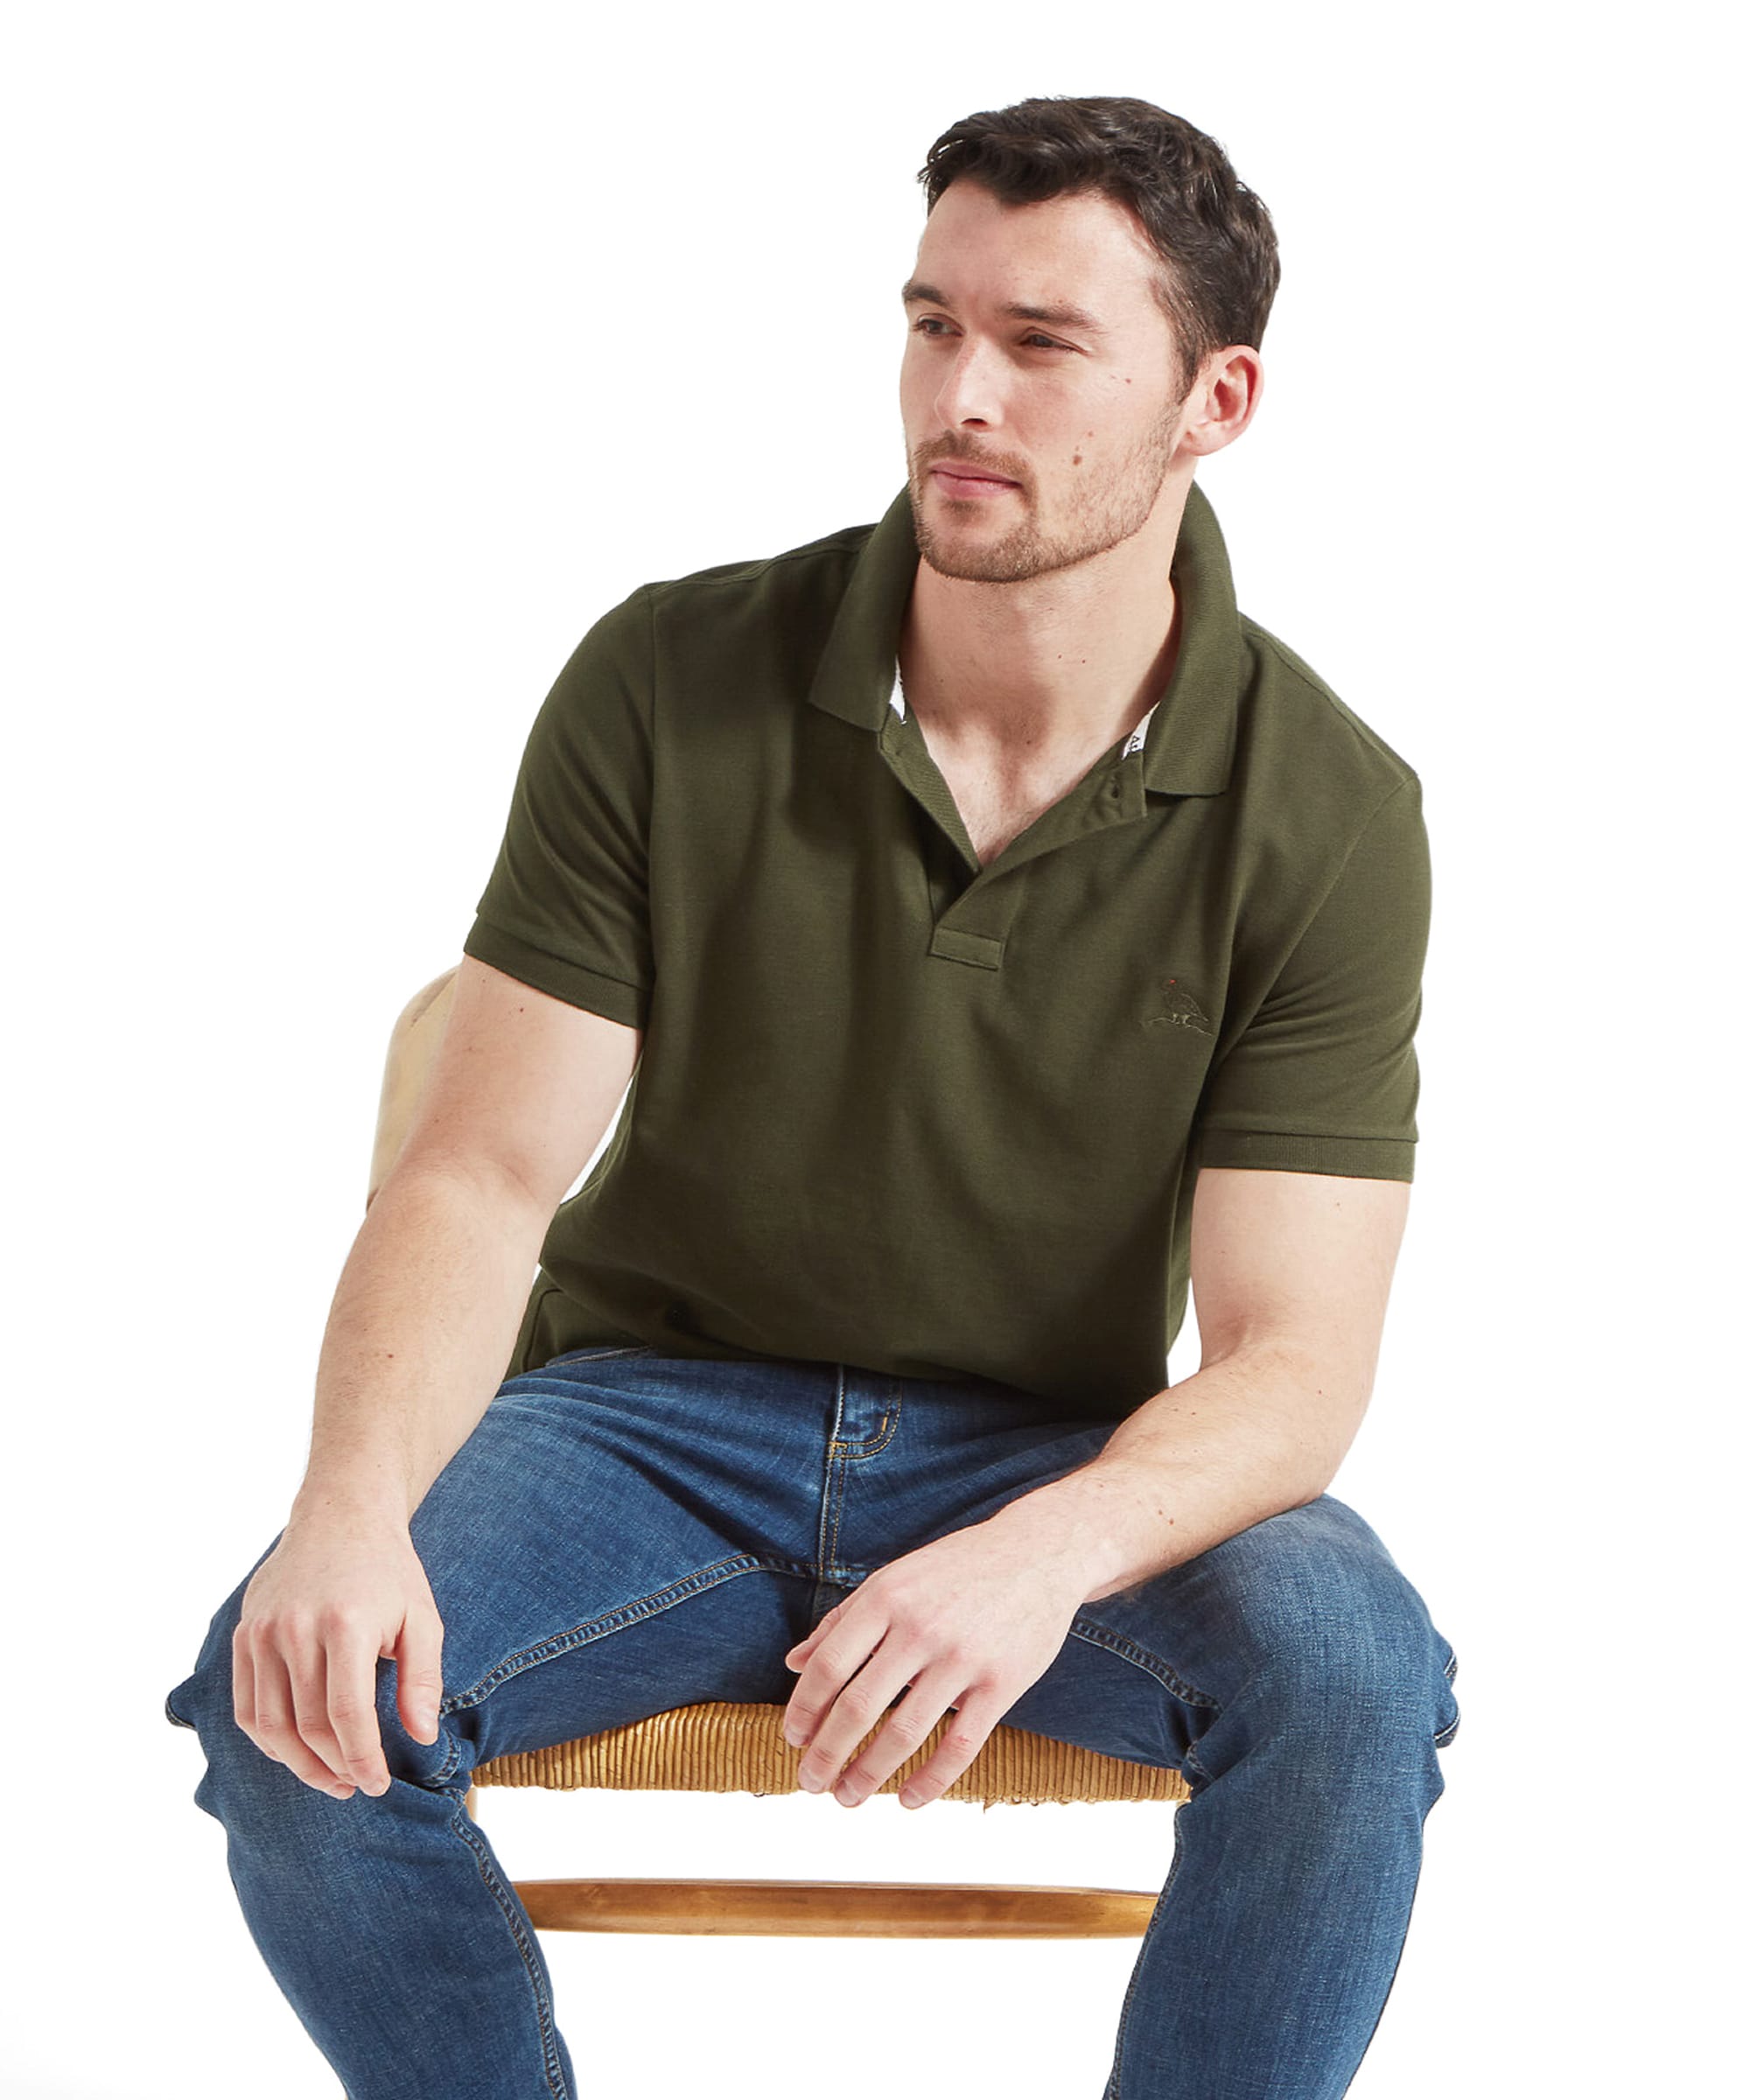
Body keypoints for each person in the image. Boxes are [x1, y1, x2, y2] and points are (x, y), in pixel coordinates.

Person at [165, 93, 1461, 2100]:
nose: (961, 394)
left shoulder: (1333, 812)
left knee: (1357, 1680)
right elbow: (481, 1170)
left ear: (1218, 400)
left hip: (1049, 1459)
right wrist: (342, 1509)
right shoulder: (670, 674)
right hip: (640, 1433)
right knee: (291, 1697)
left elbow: (1294, 1363)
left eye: (1041, 346)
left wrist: (1046, 1550)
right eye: (933, 322)